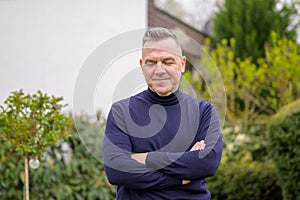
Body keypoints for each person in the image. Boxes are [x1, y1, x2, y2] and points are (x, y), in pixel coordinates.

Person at [102, 27, 223, 200]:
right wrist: (181, 177)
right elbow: (116, 170)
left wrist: (146, 158)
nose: (159, 70)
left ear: (182, 64)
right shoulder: (121, 112)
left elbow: (208, 162)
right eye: (151, 62)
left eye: (167, 62)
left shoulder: (204, 112)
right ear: (142, 66)